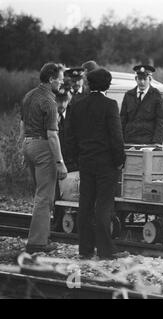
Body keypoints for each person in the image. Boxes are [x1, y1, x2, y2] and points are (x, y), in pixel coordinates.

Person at [65, 68, 126, 259]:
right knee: (103, 206)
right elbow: (116, 136)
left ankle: (85, 250)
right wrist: (120, 160)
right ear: (107, 85)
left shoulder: (77, 105)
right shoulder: (110, 105)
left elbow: (70, 136)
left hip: (86, 162)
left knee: (85, 205)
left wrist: (76, 158)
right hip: (107, 163)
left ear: (90, 84)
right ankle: (106, 251)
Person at [20, 62, 68, 253]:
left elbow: (22, 125)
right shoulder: (50, 101)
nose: (61, 83)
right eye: (60, 80)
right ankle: (37, 243)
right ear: (51, 79)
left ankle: (40, 237)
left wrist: (23, 150)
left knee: (40, 194)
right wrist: (60, 162)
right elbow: (52, 135)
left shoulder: (28, 96)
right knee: (45, 196)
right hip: (42, 148)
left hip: (28, 145)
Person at [120, 64, 163, 145]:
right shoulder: (129, 95)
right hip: (129, 141)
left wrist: (157, 142)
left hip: (147, 142)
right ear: (136, 79)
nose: (142, 82)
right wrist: (120, 139)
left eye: (145, 79)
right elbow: (122, 119)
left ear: (150, 79)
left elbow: (161, 121)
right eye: (139, 79)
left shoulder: (157, 96)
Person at [55, 90, 78, 172]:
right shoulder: (50, 115)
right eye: (58, 101)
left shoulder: (74, 114)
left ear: (68, 101)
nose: (61, 104)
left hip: (72, 161)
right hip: (54, 159)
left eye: (64, 101)